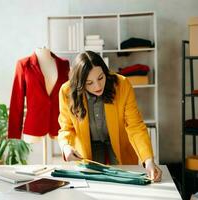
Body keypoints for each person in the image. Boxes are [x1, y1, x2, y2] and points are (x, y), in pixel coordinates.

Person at [58, 51, 162, 182]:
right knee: (94, 185)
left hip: (119, 145)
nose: (97, 86)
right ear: (80, 83)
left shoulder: (122, 85)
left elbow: (135, 125)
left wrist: (148, 160)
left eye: (100, 78)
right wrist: (66, 147)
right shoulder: (66, 91)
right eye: (89, 83)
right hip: (89, 147)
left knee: (125, 185)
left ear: (105, 72)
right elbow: (66, 128)